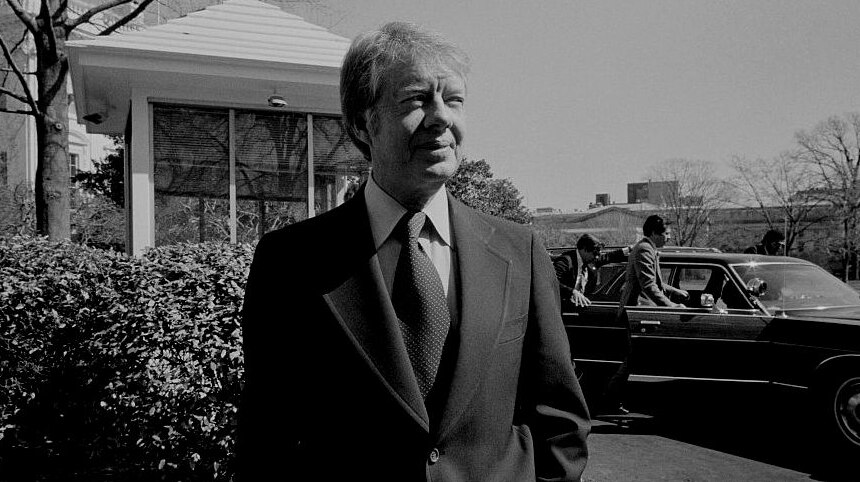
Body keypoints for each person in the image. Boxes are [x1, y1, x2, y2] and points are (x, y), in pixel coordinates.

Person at [237, 22, 590, 481]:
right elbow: (267, 434)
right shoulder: (292, 261)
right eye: (417, 99)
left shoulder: (520, 251)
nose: (441, 117)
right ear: (363, 123)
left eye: (454, 99)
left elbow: (560, 415)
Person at [601, 214, 688, 415]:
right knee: (632, 359)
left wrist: (674, 291)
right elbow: (648, 286)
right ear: (654, 233)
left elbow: (654, 281)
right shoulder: (644, 250)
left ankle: (612, 398)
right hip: (637, 311)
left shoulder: (649, 249)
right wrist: (672, 307)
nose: (669, 237)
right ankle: (609, 399)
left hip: (641, 310)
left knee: (634, 358)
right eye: (666, 234)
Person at [554, 233, 602, 307]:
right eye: (595, 253)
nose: (596, 257)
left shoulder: (589, 261)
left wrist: (626, 250)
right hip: (563, 308)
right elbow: (552, 283)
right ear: (584, 249)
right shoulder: (565, 262)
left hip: (583, 307)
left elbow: (610, 256)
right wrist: (572, 291)